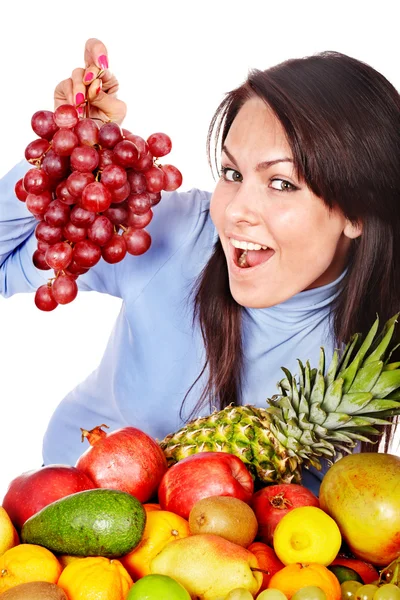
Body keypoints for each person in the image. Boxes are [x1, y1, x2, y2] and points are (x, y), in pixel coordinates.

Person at [1, 40, 399, 494]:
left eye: (281, 182)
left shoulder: (380, 335)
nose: (234, 213)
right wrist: (60, 164)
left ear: (357, 213)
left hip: (228, 555)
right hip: (64, 514)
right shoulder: (175, 233)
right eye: (232, 174)